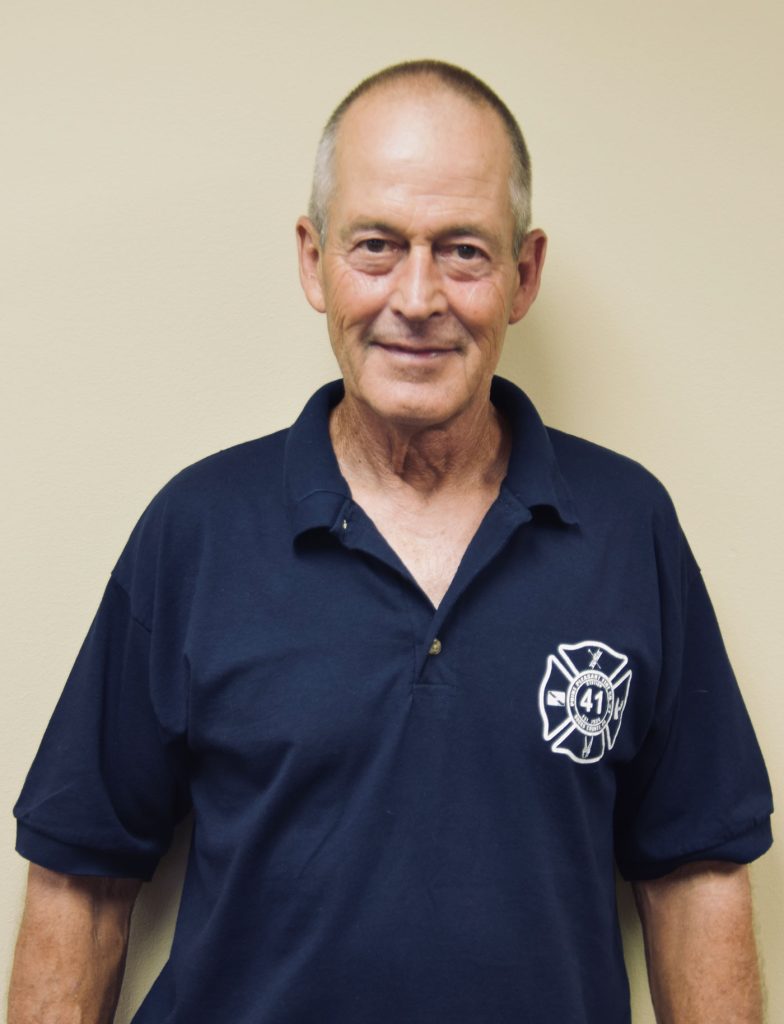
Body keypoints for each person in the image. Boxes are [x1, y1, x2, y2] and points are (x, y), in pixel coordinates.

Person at [8, 60, 772, 1024]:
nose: (417, 297)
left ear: (524, 273)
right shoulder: (195, 531)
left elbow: (695, 870)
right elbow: (80, 880)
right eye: (376, 247)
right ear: (312, 259)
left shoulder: (629, 528)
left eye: (463, 251)